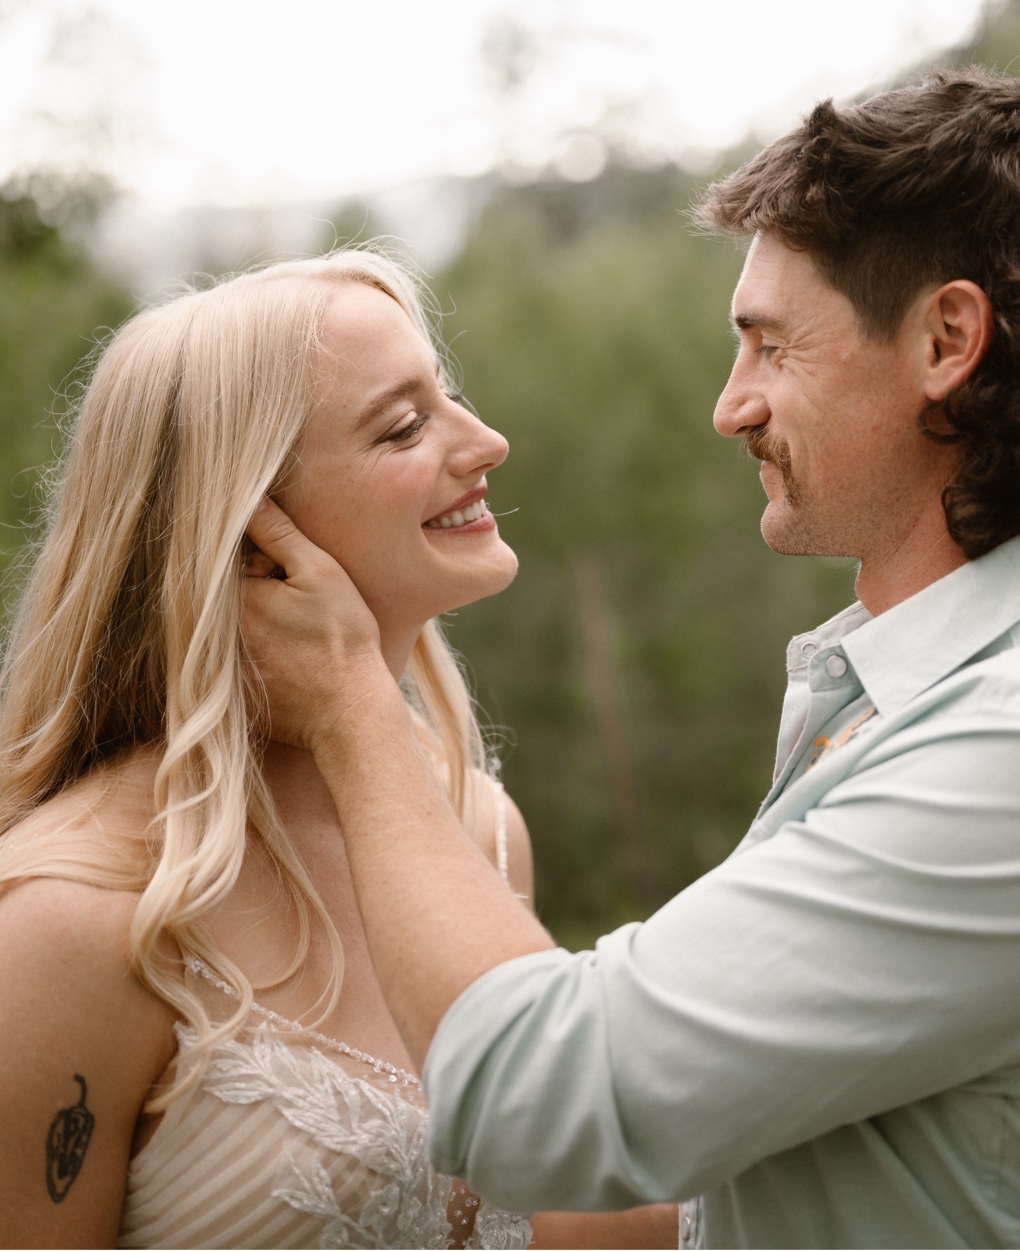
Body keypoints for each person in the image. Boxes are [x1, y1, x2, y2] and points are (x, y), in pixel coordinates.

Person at [238, 70, 1020, 1248]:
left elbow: (539, 1100)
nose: (731, 403)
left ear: (946, 339)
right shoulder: (969, 687)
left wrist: (354, 703)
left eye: (770, 344)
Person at [0, 247, 668, 1247]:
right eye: (405, 425)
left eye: (451, 396)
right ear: (248, 529)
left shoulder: (481, 829)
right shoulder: (72, 922)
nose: (486, 440)